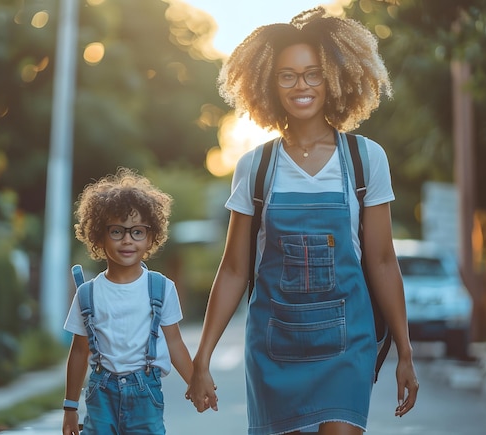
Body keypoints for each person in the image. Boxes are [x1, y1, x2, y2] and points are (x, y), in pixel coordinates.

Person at [186, 7, 419, 435]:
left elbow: (383, 261)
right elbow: (235, 269)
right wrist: (201, 359)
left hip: (346, 347)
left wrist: (405, 351)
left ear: (334, 79)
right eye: (287, 75)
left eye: (313, 74)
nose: (301, 86)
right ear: (268, 85)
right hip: (274, 347)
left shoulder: (366, 160)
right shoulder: (255, 167)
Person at [61, 167, 193, 435]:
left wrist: (196, 381)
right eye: (117, 231)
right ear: (99, 235)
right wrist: (70, 407)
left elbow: (175, 342)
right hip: (101, 393)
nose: (127, 240)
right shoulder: (88, 293)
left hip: (146, 393)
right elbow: (78, 352)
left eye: (137, 232)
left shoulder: (161, 288)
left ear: (150, 237)